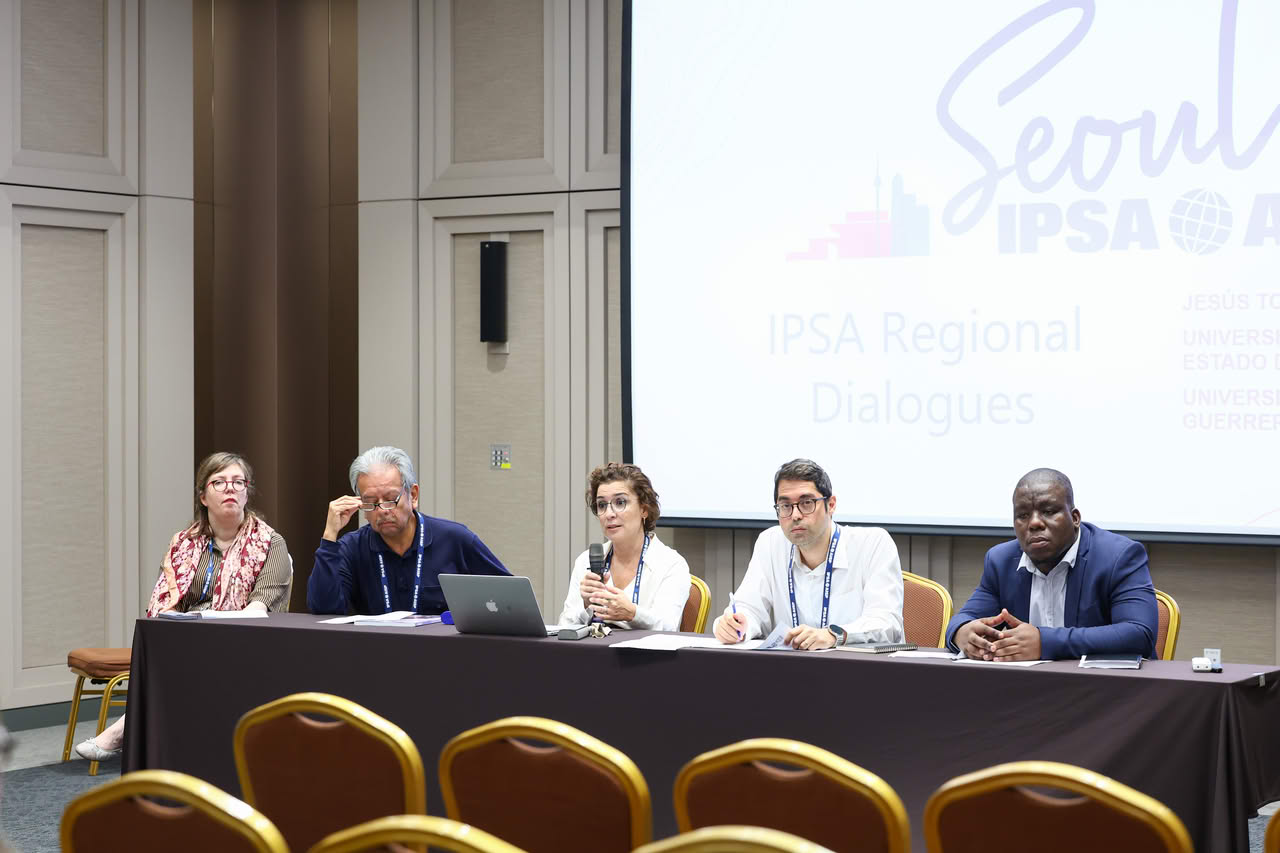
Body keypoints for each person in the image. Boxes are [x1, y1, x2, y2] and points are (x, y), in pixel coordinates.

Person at [75, 452, 293, 762]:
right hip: (190, 635)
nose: (230, 489)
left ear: (247, 492)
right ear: (203, 496)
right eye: (219, 482)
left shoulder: (271, 542)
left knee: (196, 656)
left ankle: (124, 730)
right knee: (165, 643)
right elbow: (166, 600)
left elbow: (262, 604)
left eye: (238, 482)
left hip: (247, 638)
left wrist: (216, 626)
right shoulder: (183, 543)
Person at [947, 468, 1158, 661]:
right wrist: (962, 633)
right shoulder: (1000, 561)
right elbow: (963, 620)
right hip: (1026, 686)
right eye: (1022, 515)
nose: (1034, 523)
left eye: (1048, 511)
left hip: (1103, 686)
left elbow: (1139, 634)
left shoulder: (1118, 556)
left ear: (1075, 518)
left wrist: (1044, 642)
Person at [712, 459, 904, 649]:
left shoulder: (873, 544)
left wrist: (833, 635)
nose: (795, 515)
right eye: (786, 506)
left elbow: (886, 622)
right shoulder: (770, 543)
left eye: (806, 503)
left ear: (831, 505)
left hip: (859, 665)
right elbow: (749, 607)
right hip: (792, 666)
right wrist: (737, 625)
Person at [308, 446, 510, 615]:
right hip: (378, 648)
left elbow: (510, 599)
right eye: (371, 502)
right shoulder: (352, 548)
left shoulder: (455, 539)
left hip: (443, 649)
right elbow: (324, 609)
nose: (382, 510)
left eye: (390, 499)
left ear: (413, 496)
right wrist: (329, 537)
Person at [557, 463, 692, 631]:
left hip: (645, 649)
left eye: (620, 502)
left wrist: (633, 614)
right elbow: (564, 627)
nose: (609, 514)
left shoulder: (671, 564)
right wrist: (586, 606)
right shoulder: (585, 561)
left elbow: (668, 627)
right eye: (602, 505)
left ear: (644, 509)